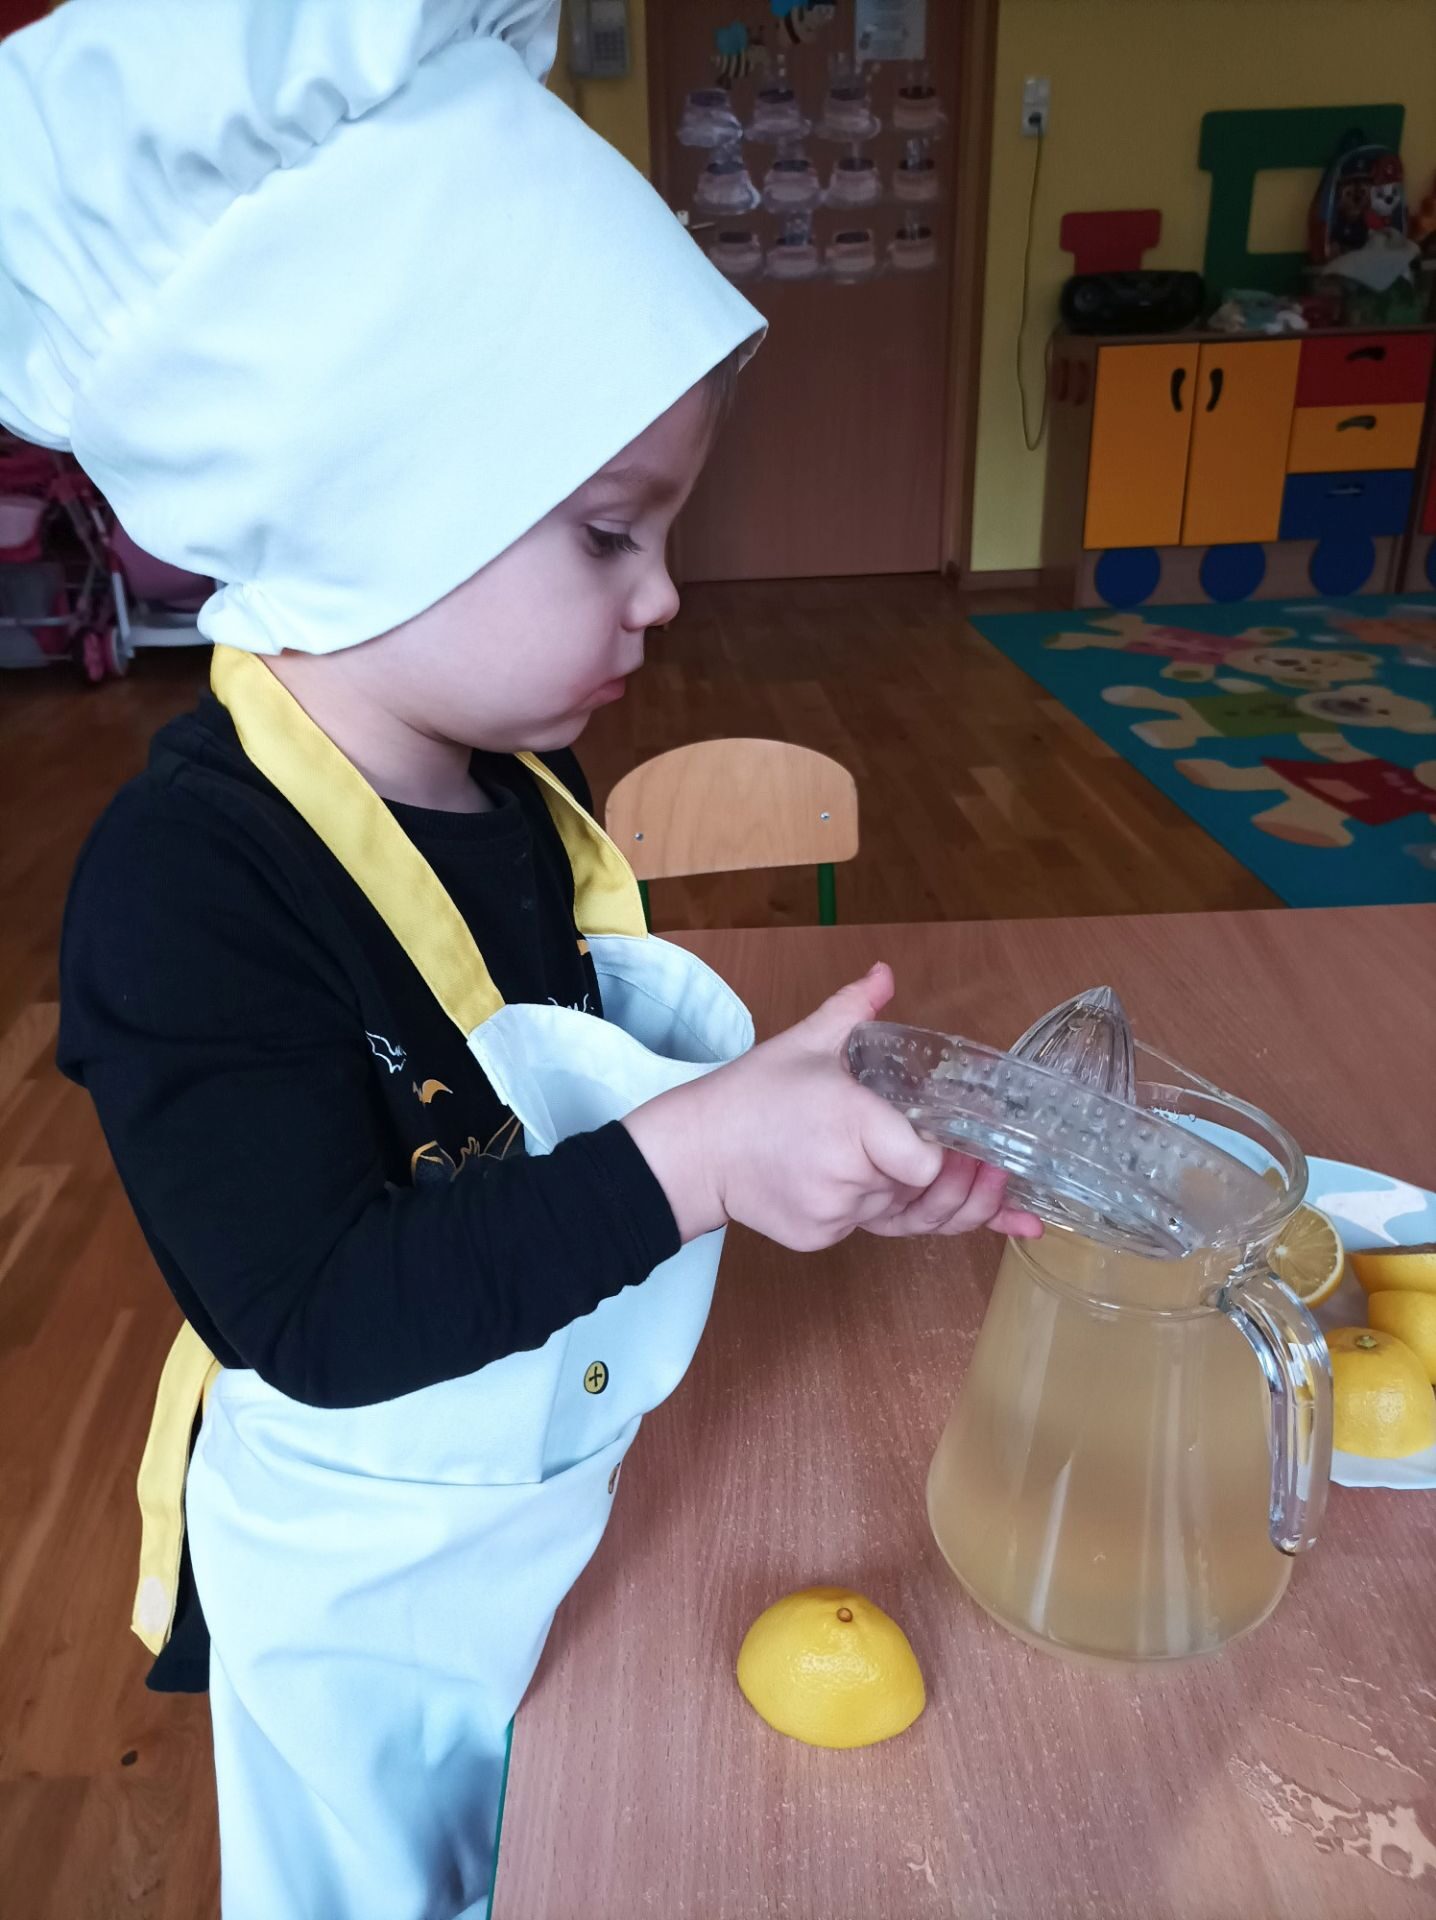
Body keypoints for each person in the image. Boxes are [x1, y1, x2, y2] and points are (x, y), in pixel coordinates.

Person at [1, 4, 1037, 1914]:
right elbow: (324, 1314)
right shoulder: (186, 889)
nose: (664, 596)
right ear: (376, 506)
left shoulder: (505, 784)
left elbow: (546, 1134)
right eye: (609, 535)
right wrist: (703, 1155)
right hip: (362, 1591)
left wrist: (797, 1144)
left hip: (556, 1491)